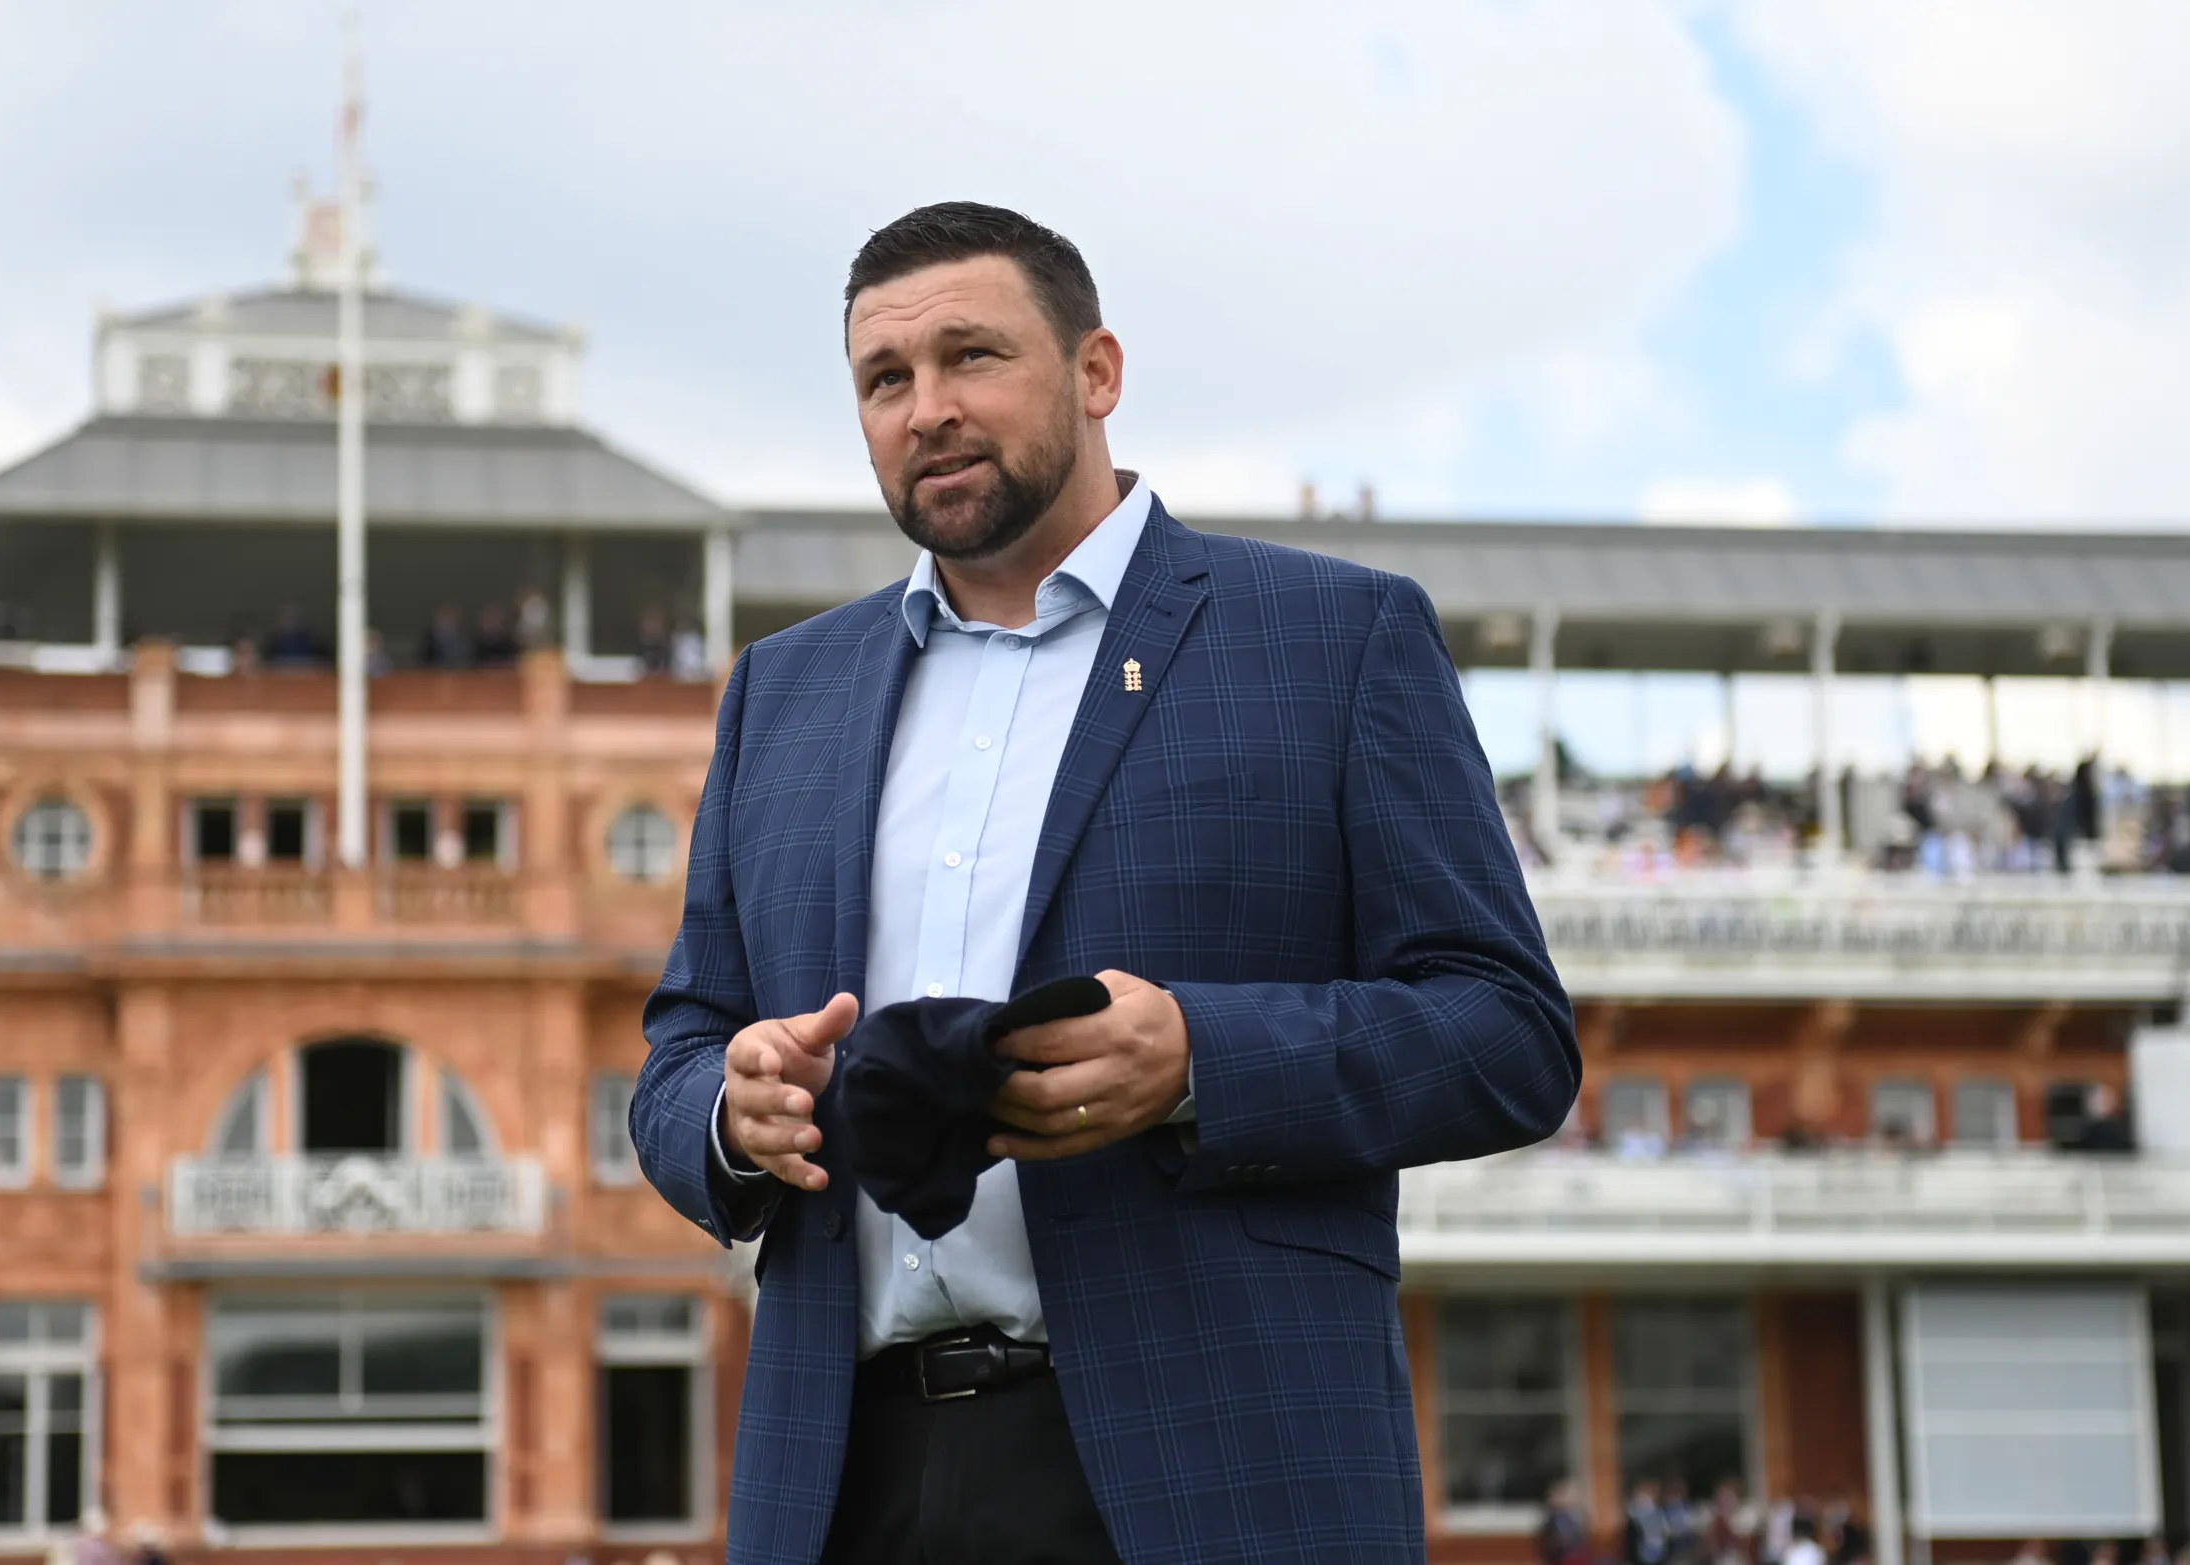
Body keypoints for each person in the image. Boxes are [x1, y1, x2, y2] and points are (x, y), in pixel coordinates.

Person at [633, 203, 1578, 1564]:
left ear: (1097, 373)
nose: (929, 409)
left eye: (974, 358)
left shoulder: (1334, 640)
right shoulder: (781, 694)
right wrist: (737, 1108)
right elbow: (677, 1051)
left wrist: (1200, 1059)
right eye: (885, 380)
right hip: (840, 1478)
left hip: (1218, 1474)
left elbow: (1511, 1036)